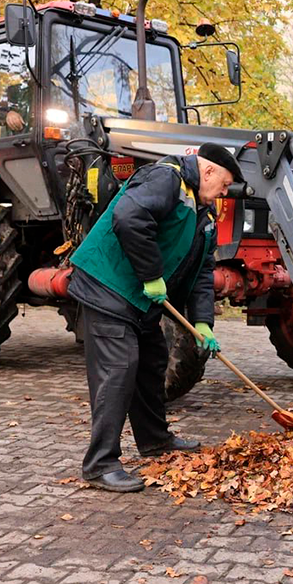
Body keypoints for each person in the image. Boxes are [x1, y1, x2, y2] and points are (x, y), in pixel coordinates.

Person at [67, 143, 242, 493]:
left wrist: (203, 322)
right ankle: (100, 463)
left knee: (152, 362)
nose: (225, 192)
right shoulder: (165, 178)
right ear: (207, 171)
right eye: (224, 183)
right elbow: (129, 218)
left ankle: (154, 440)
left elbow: (203, 272)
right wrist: (150, 275)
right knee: (120, 367)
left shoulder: (203, 214)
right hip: (108, 285)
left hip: (139, 301)